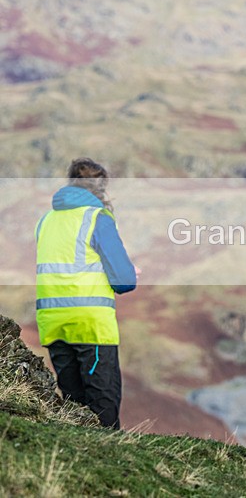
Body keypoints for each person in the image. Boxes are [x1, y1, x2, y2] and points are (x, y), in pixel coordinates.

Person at [35, 157, 138, 429]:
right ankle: (109, 467)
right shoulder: (97, 218)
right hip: (91, 325)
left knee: (72, 409)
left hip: (52, 322)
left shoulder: (45, 221)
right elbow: (124, 281)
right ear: (100, 187)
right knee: (103, 411)